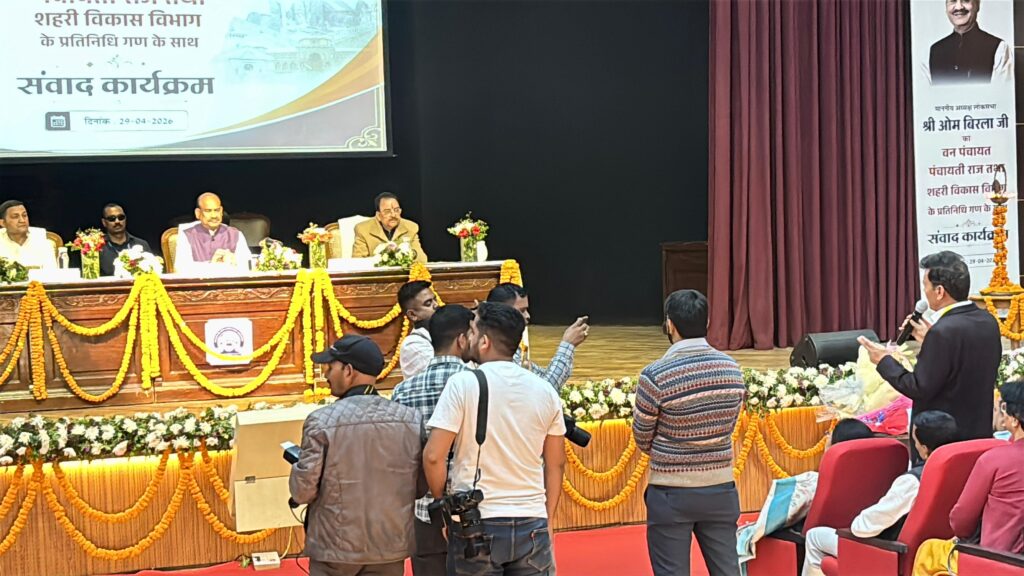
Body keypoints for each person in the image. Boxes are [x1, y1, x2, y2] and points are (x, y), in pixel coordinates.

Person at [423, 302, 565, 576]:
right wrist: (548, 519)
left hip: (478, 520)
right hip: (532, 519)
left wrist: (445, 509)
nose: (468, 337)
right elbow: (556, 463)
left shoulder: (463, 383)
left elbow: (433, 456)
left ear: (484, 341)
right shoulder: (545, 390)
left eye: (472, 331)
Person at [633, 289, 746, 576]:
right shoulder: (732, 369)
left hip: (671, 492)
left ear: (669, 324)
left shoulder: (655, 375)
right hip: (721, 488)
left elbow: (642, 437)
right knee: (728, 571)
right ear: (707, 322)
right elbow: (730, 425)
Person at [289, 335, 424, 576]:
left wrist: (298, 468)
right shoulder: (411, 419)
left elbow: (302, 492)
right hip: (389, 545)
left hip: (335, 549)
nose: (326, 375)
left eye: (330, 367)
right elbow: (421, 487)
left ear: (348, 370)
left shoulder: (321, 421)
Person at [859, 251, 1000, 461]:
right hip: (978, 433)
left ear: (940, 291)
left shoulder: (942, 332)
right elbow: (965, 364)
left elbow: (918, 387)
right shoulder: (987, 321)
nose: (924, 292)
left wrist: (884, 361)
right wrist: (930, 341)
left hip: (942, 441)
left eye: (925, 285)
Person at [802, 411, 959, 576]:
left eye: (915, 442)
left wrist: (854, 525)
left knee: (815, 536)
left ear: (925, 448)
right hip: (937, 549)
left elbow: (864, 528)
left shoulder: (912, 481)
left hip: (893, 556)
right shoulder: (961, 466)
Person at [392, 304, 474, 576]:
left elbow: (401, 453)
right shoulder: (477, 383)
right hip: (473, 506)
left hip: (424, 510)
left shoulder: (403, 390)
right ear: (462, 340)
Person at [913, 380, 1024, 575]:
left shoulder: (995, 459)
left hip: (999, 561)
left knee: (928, 550)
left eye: (1002, 409)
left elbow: (961, 520)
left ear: (1015, 419)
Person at [486, 282, 588, 391]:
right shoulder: (495, 350)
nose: (528, 316)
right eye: (522, 311)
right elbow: (545, 389)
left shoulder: (509, 346)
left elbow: (541, 378)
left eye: (527, 310)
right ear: (502, 313)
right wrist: (567, 345)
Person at [925, 0, 1012, 85]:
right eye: (953, 1)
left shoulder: (999, 48)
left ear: (977, 5)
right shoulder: (934, 51)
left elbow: (1001, 93)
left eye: (966, 0)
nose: (959, 7)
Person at [174, 192, 252, 273]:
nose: (214, 216)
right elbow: (181, 268)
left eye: (217, 210)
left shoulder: (235, 234)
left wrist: (234, 261)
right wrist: (212, 264)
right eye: (208, 211)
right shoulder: (187, 235)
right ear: (198, 213)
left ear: (221, 211)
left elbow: (248, 265)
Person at [352, 192, 427, 263]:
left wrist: (408, 253)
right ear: (378, 215)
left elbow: (422, 259)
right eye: (387, 211)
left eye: (396, 210)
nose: (393, 215)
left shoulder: (411, 227)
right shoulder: (363, 229)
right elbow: (358, 262)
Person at [397, 280, 439, 379]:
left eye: (435, 300)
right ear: (413, 315)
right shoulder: (413, 345)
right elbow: (441, 374)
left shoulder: (440, 332)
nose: (436, 305)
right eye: (428, 303)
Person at [0, 200, 58, 269]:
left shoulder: (40, 238)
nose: (22, 220)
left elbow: (52, 271)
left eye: (24, 215)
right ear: (3, 223)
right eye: (15, 217)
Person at [98, 203, 152, 276]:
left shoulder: (141, 244)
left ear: (125, 219)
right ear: (104, 222)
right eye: (112, 219)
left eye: (121, 217)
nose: (117, 221)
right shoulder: (96, 248)